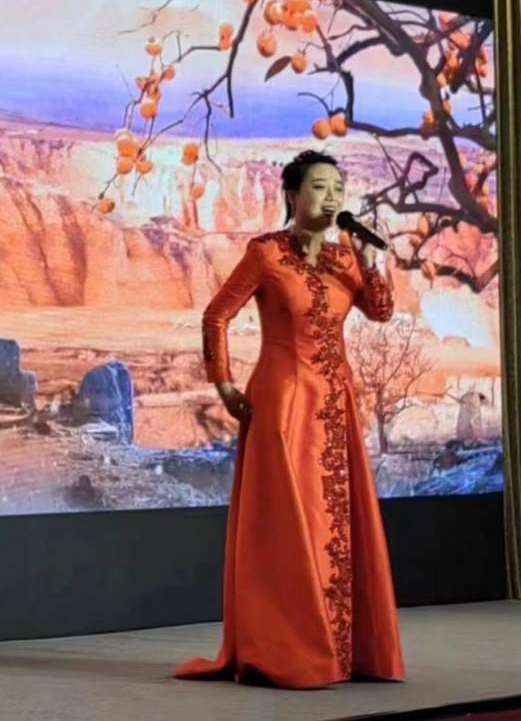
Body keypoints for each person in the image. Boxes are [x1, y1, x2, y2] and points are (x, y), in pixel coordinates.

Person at [174, 150, 406, 688]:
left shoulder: (348, 257)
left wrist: (370, 263)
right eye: (320, 187)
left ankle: (346, 651)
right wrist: (223, 383)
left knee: (335, 523)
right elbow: (217, 315)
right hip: (283, 399)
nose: (332, 196)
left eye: (338, 188)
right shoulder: (267, 252)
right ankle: (288, 649)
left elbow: (381, 312)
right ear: (293, 195)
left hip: (335, 402)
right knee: (288, 521)